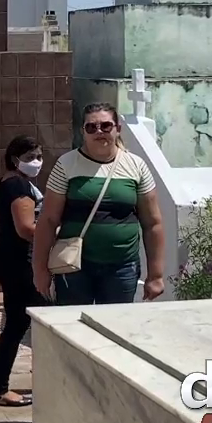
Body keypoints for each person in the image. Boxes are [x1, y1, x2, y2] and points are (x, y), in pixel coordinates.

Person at [32, 103, 167, 305]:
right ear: (83, 132)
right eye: (91, 127)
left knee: (115, 322)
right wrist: (40, 269)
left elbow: (153, 223)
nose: (99, 132)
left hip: (122, 268)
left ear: (117, 129)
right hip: (74, 267)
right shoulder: (66, 165)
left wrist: (156, 275)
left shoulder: (136, 166)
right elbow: (48, 220)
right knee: (73, 323)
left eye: (106, 126)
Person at [0, 135, 48, 407]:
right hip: (20, 263)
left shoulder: (6, 182)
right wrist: (55, 233)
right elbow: (26, 229)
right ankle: (0, 387)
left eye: (39, 156)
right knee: (36, 321)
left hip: (8, 259)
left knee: (17, 324)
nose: (37, 162)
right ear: (15, 159)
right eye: (30, 157)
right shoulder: (19, 185)